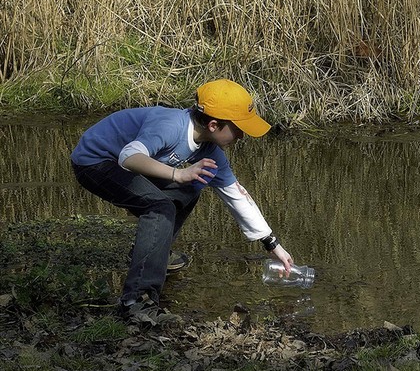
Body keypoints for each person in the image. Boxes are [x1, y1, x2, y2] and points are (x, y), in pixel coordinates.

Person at [70, 79, 293, 325]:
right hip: (95, 162)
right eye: (238, 129)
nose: (242, 136)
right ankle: (137, 304)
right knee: (159, 206)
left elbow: (235, 194)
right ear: (214, 124)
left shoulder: (209, 148)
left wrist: (272, 244)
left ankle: (153, 254)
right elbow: (129, 156)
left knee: (190, 189)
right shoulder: (170, 126)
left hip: (127, 164)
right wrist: (178, 174)